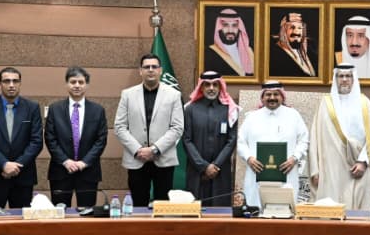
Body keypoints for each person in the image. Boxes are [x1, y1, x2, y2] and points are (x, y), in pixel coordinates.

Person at [114, 53, 185, 207]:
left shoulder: (174, 95)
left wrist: (154, 149)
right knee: (138, 205)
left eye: (154, 67)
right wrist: (138, 149)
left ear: (160, 70)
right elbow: (119, 127)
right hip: (136, 159)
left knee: (162, 206)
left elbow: (177, 127)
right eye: (146, 67)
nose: (150, 70)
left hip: (163, 158)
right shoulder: (127, 94)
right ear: (140, 71)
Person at [309, 64, 370, 209]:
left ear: (353, 79)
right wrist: (315, 170)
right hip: (331, 168)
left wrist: (363, 161)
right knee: (330, 208)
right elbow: (314, 138)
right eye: (340, 76)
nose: (344, 80)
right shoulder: (325, 103)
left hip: (358, 167)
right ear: (335, 79)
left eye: (348, 76)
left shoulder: (364, 102)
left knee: (358, 210)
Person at [0, 67, 43, 209]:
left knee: (22, 226)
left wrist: (16, 165)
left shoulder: (32, 108)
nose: (11, 85)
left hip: (22, 176)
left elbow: (36, 142)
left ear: (20, 83)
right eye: (7, 81)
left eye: (15, 81)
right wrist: (4, 164)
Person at [237, 81, 309, 207]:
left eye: (276, 94)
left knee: (284, 212)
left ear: (282, 96)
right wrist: (249, 158)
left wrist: (294, 158)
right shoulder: (252, 117)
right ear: (262, 98)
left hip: (287, 173)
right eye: (268, 94)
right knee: (256, 213)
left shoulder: (293, 115)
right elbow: (240, 142)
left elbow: (304, 140)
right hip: (257, 174)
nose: (272, 98)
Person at [45, 66, 108, 208]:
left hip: (88, 171)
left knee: (86, 215)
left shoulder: (97, 110)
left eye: (81, 82)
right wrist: (66, 161)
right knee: (60, 214)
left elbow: (101, 140)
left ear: (87, 85)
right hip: (61, 171)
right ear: (66, 84)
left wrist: (84, 162)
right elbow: (50, 138)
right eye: (73, 82)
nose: (77, 85)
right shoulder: (55, 109)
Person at [183, 70, 239, 205]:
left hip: (221, 170)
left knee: (220, 212)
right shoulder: (190, 109)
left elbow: (232, 141)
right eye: (207, 85)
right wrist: (204, 166)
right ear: (201, 87)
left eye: (215, 85)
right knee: (195, 211)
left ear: (221, 87)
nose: (211, 88)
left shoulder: (229, 110)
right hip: (197, 171)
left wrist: (216, 165)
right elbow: (186, 140)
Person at [204, 7, 255, 77]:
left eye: (234, 25)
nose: (230, 30)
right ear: (219, 28)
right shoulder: (210, 52)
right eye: (225, 25)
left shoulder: (249, 51)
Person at [269, 11, 316, 77]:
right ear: (284, 31)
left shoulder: (310, 51)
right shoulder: (275, 54)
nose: (296, 32)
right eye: (292, 28)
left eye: (300, 28)